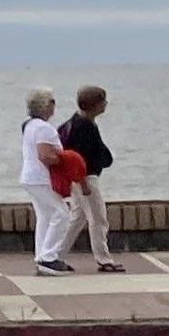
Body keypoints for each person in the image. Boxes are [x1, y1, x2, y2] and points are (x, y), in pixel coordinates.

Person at [59, 85, 123, 272]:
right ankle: (103, 258)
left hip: (81, 179)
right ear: (94, 105)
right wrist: (83, 183)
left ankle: (56, 254)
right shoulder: (83, 127)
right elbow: (79, 158)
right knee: (98, 217)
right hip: (86, 178)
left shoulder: (77, 122)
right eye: (103, 101)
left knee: (77, 218)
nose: (105, 105)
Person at [18, 87, 75, 276]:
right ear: (45, 105)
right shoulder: (44, 128)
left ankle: (42, 255)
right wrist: (66, 160)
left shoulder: (30, 125)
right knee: (62, 213)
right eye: (52, 101)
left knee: (45, 215)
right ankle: (49, 257)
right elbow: (45, 155)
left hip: (30, 177)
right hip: (41, 178)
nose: (54, 106)